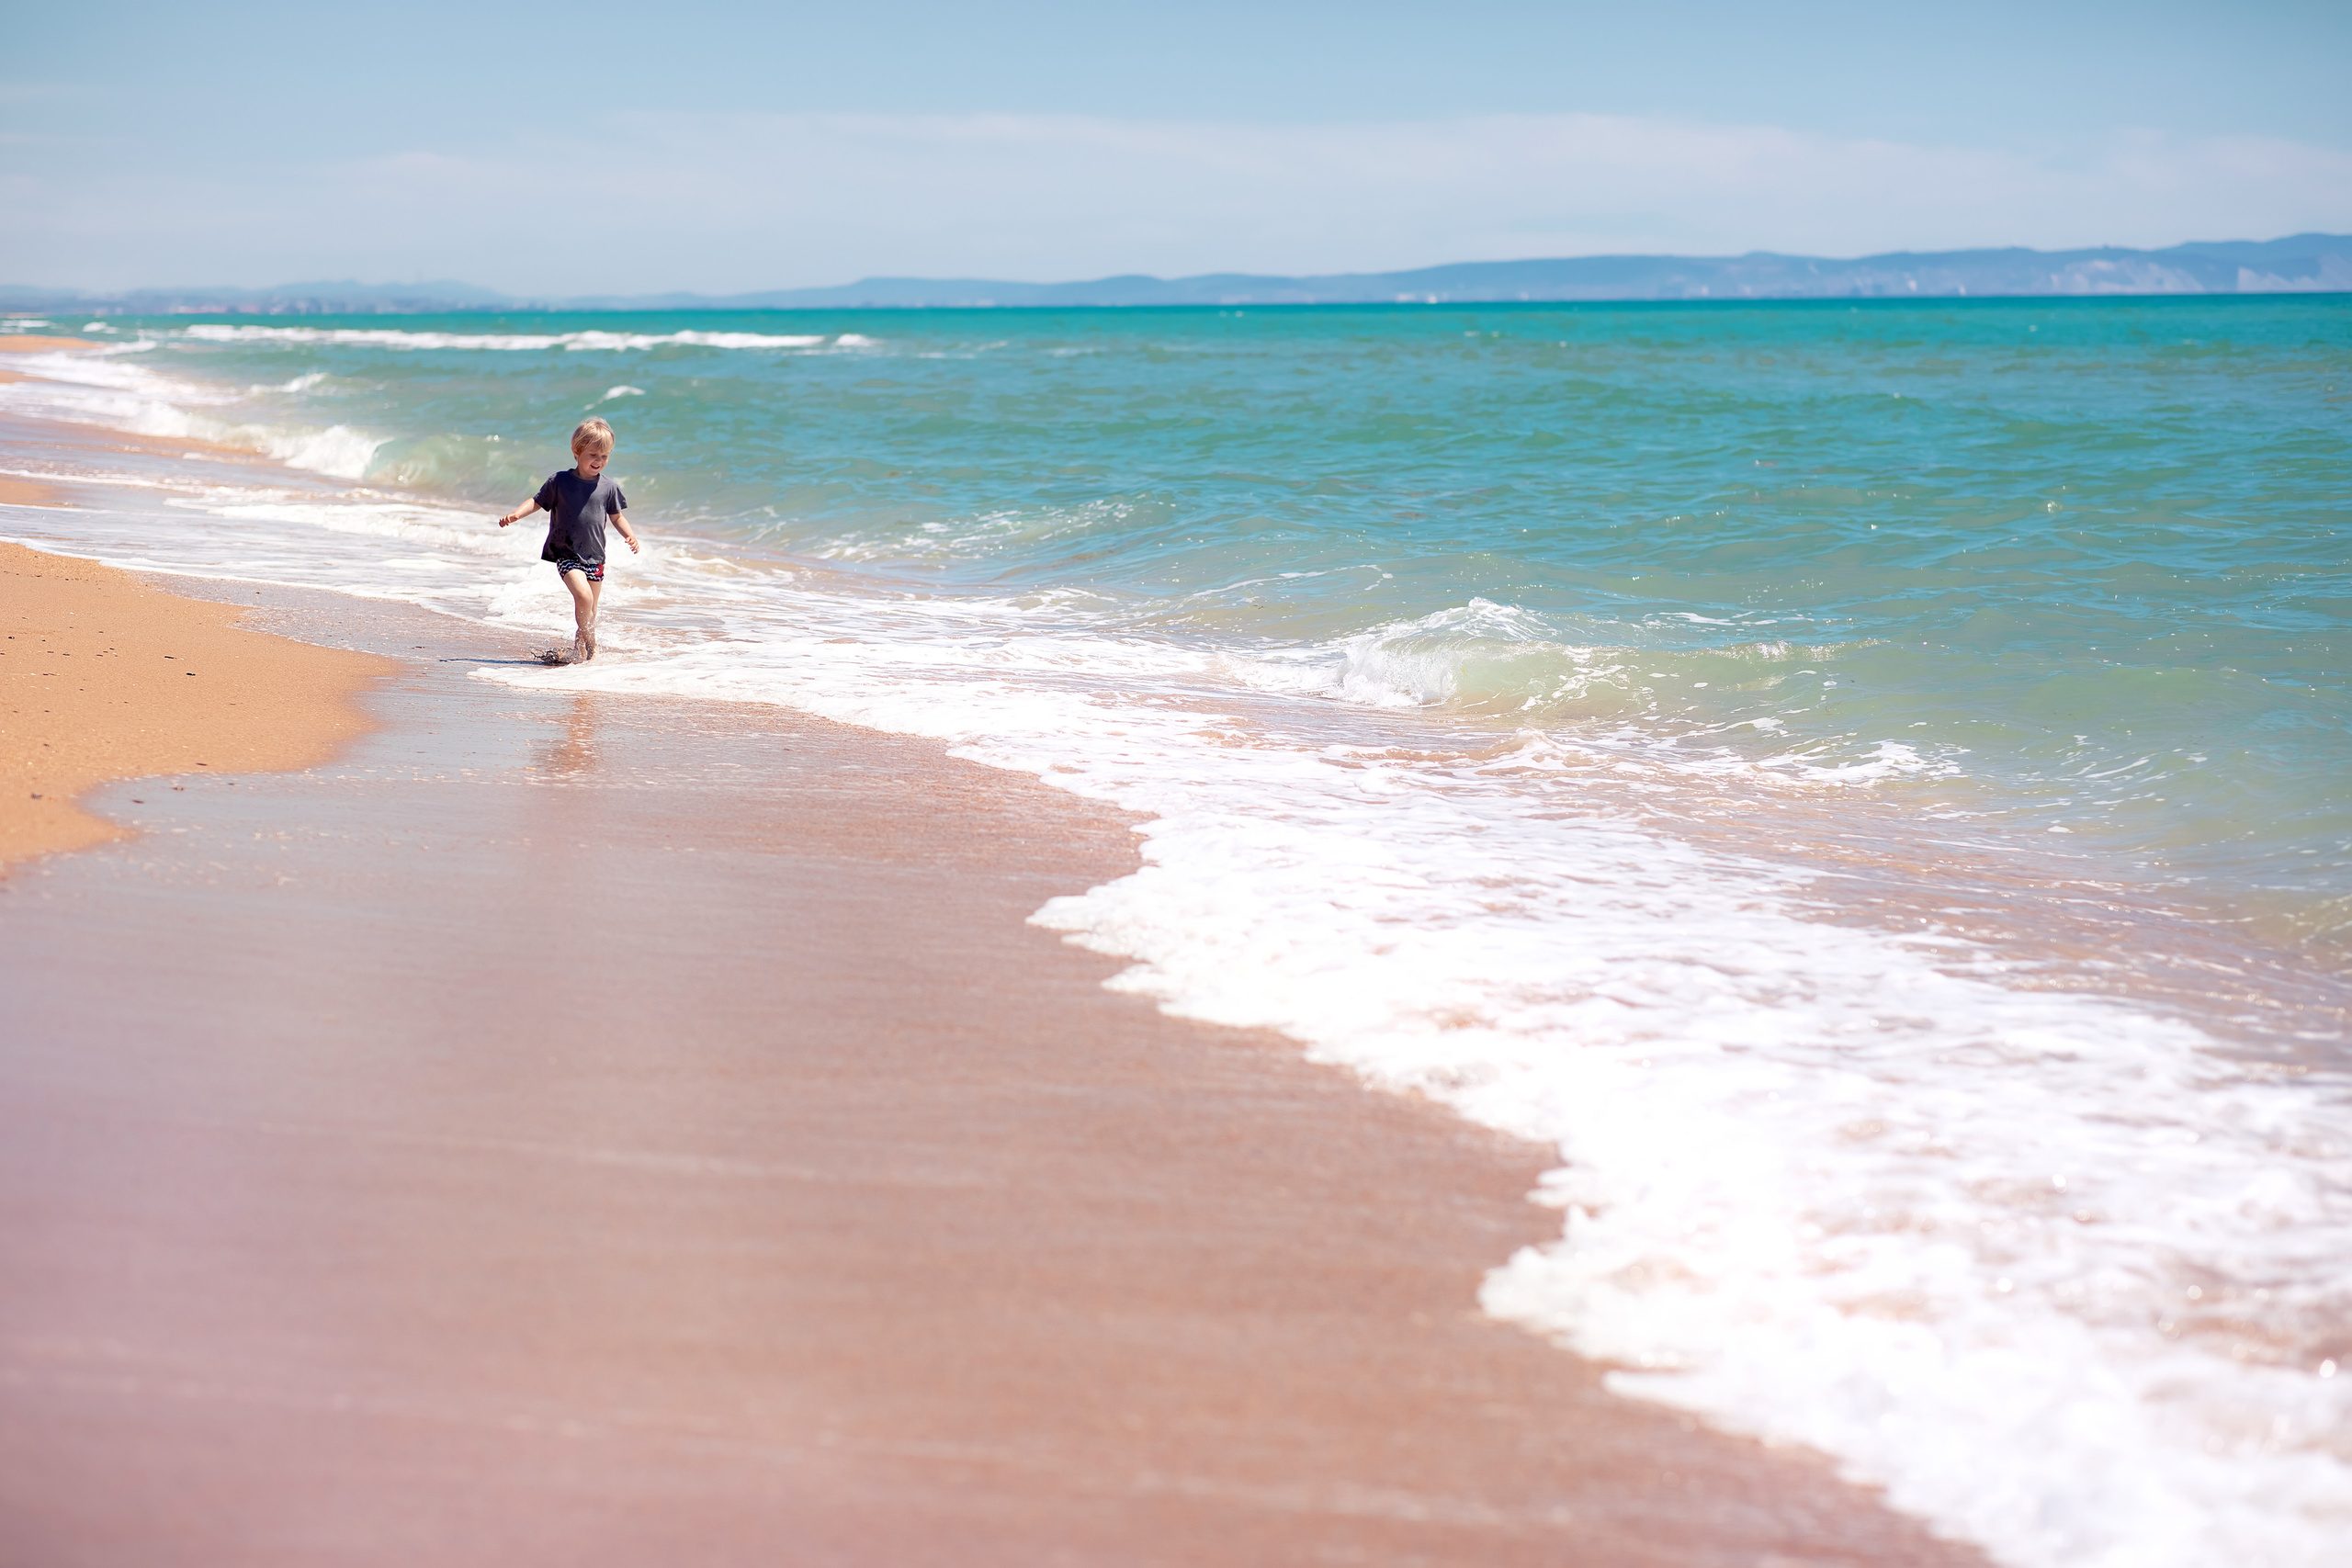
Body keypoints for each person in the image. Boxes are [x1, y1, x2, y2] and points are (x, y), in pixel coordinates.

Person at [497, 417, 640, 662]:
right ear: (577, 452)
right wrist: (516, 515)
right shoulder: (560, 481)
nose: (599, 461)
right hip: (567, 555)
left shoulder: (609, 487)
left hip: (595, 557)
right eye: (593, 455)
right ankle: (592, 644)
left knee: (590, 612)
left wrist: (630, 535)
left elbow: (616, 517)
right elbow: (537, 501)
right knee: (583, 598)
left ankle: (579, 655)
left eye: (604, 456)